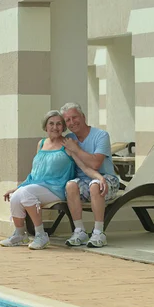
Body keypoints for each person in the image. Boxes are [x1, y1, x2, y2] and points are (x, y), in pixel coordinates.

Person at [0, 110, 107, 250]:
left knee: (25, 194)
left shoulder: (67, 144)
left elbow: (84, 167)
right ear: (45, 126)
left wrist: (100, 178)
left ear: (63, 127)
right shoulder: (41, 143)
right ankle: (20, 234)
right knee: (16, 196)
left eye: (59, 124)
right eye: (51, 124)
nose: (55, 127)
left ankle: (41, 236)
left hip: (57, 188)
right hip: (36, 186)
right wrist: (17, 187)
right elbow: (35, 172)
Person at [60, 102, 120, 248]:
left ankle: (99, 232)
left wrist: (76, 148)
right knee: (70, 185)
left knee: (95, 185)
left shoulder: (101, 135)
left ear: (83, 116)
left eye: (75, 117)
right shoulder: (69, 137)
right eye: (68, 120)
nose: (72, 122)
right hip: (83, 180)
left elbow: (95, 164)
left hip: (106, 179)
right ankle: (79, 231)